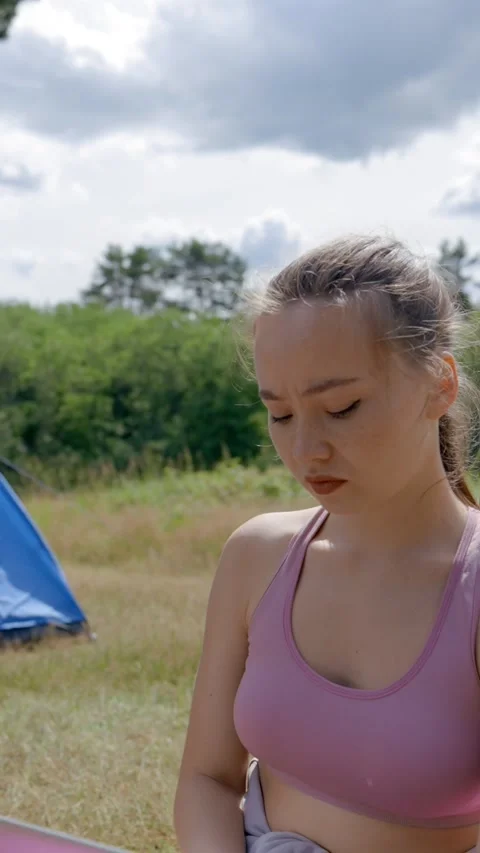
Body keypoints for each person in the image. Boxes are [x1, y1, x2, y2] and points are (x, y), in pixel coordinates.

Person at [173, 235, 480, 853]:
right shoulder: (256, 556)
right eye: (280, 414)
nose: (305, 451)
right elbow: (207, 779)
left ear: (439, 384)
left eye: (341, 407)